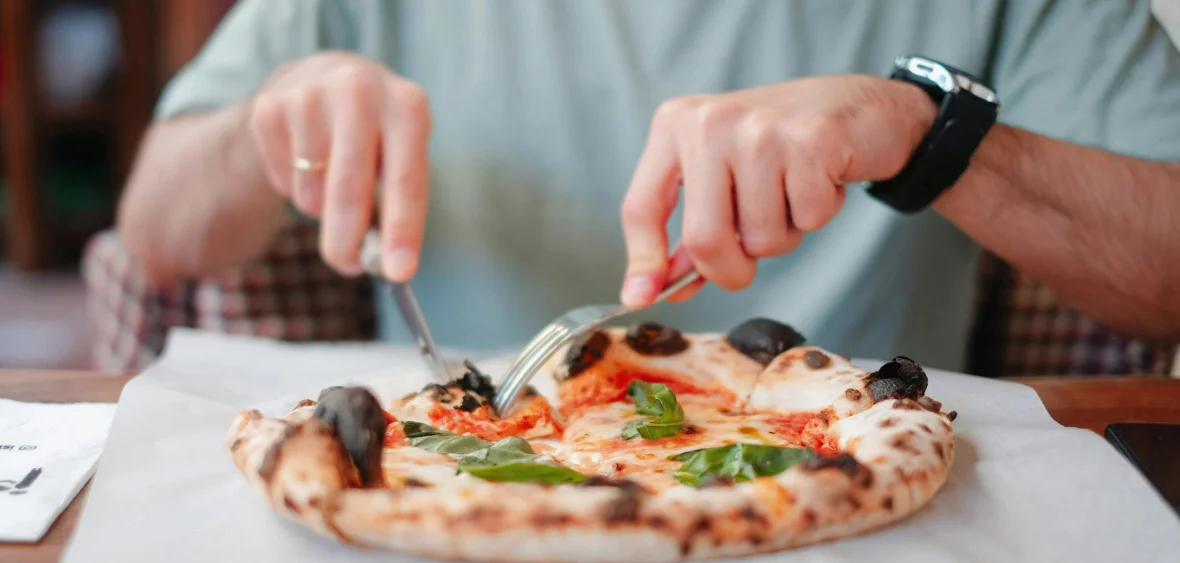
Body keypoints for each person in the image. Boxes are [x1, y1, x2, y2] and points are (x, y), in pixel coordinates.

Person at [115, 0, 1180, 371]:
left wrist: (929, 133)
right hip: (463, 495)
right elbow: (154, 235)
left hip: (866, 512)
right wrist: (272, 125)